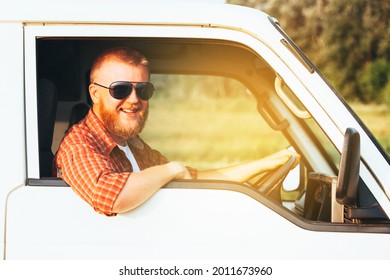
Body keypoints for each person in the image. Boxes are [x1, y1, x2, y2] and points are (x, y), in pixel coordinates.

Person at [55, 47, 299, 216]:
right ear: (95, 93)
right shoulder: (79, 145)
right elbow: (110, 197)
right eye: (120, 90)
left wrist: (266, 164)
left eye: (143, 90)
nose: (133, 100)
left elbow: (191, 178)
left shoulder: (132, 144)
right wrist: (170, 169)